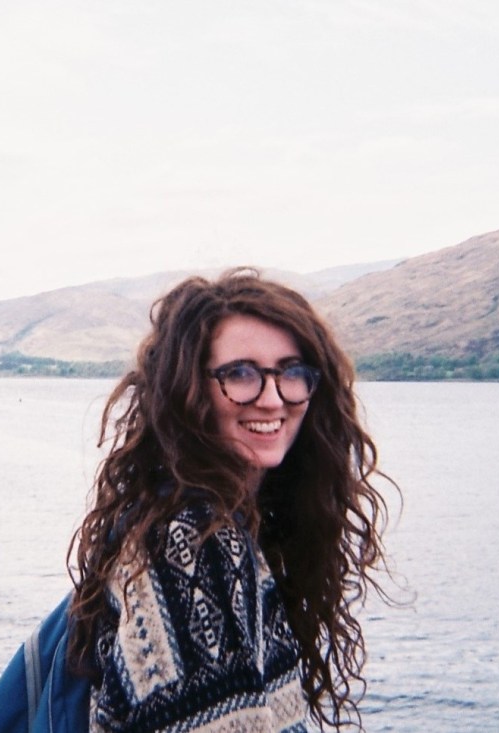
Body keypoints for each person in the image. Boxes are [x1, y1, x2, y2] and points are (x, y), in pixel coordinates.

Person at [66, 268, 397, 732]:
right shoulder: (194, 544)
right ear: (188, 390)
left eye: (291, 372)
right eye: (240, 373)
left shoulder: (197, 521)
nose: (272, 399)